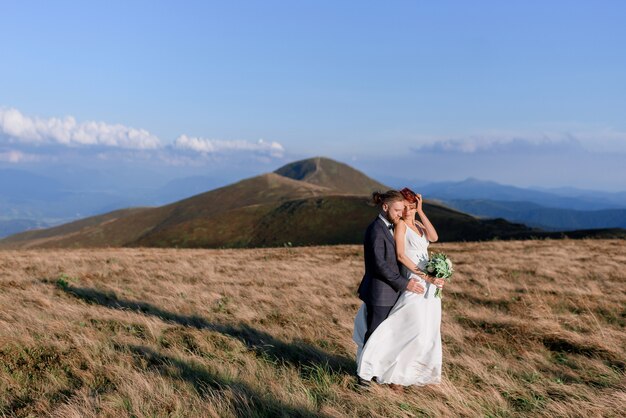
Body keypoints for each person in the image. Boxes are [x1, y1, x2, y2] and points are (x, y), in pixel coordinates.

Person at [354, 187, 445, 388]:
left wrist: (420, 210)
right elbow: (391, 260)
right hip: (395, 285)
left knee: (415, 331)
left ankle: (394, 373)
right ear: (387, 207)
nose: (404, 212)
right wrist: (421, 279)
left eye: (409, 207)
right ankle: (366, 377)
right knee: (383, 332)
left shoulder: (409, 223)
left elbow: (434, 237)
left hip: (409, 284)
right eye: (402, 209)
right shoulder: (385, 227)